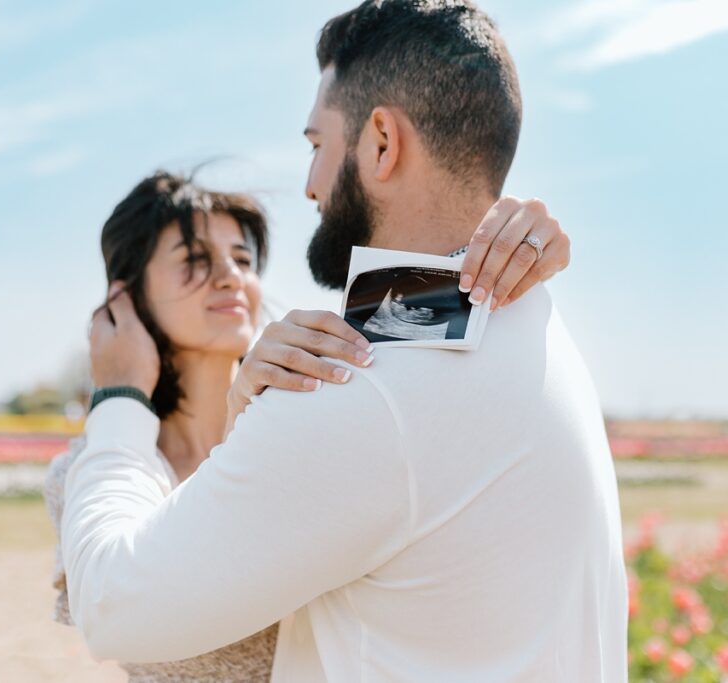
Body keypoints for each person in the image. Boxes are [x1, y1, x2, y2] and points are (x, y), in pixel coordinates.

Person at [59, 1, 624, 680]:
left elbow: (113, 606)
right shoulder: (529, 318)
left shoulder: (354, 387)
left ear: (381, 142)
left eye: (316, 145)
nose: (310, 184)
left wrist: (119, 395)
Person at [45, 166, 570, 681]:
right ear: (124, 298)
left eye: (243, 258)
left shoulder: (311, 390)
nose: (230, 275)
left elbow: (421, 325)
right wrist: (119, 390)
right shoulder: (88, 477)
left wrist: (506, 241)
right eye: (194, 260)